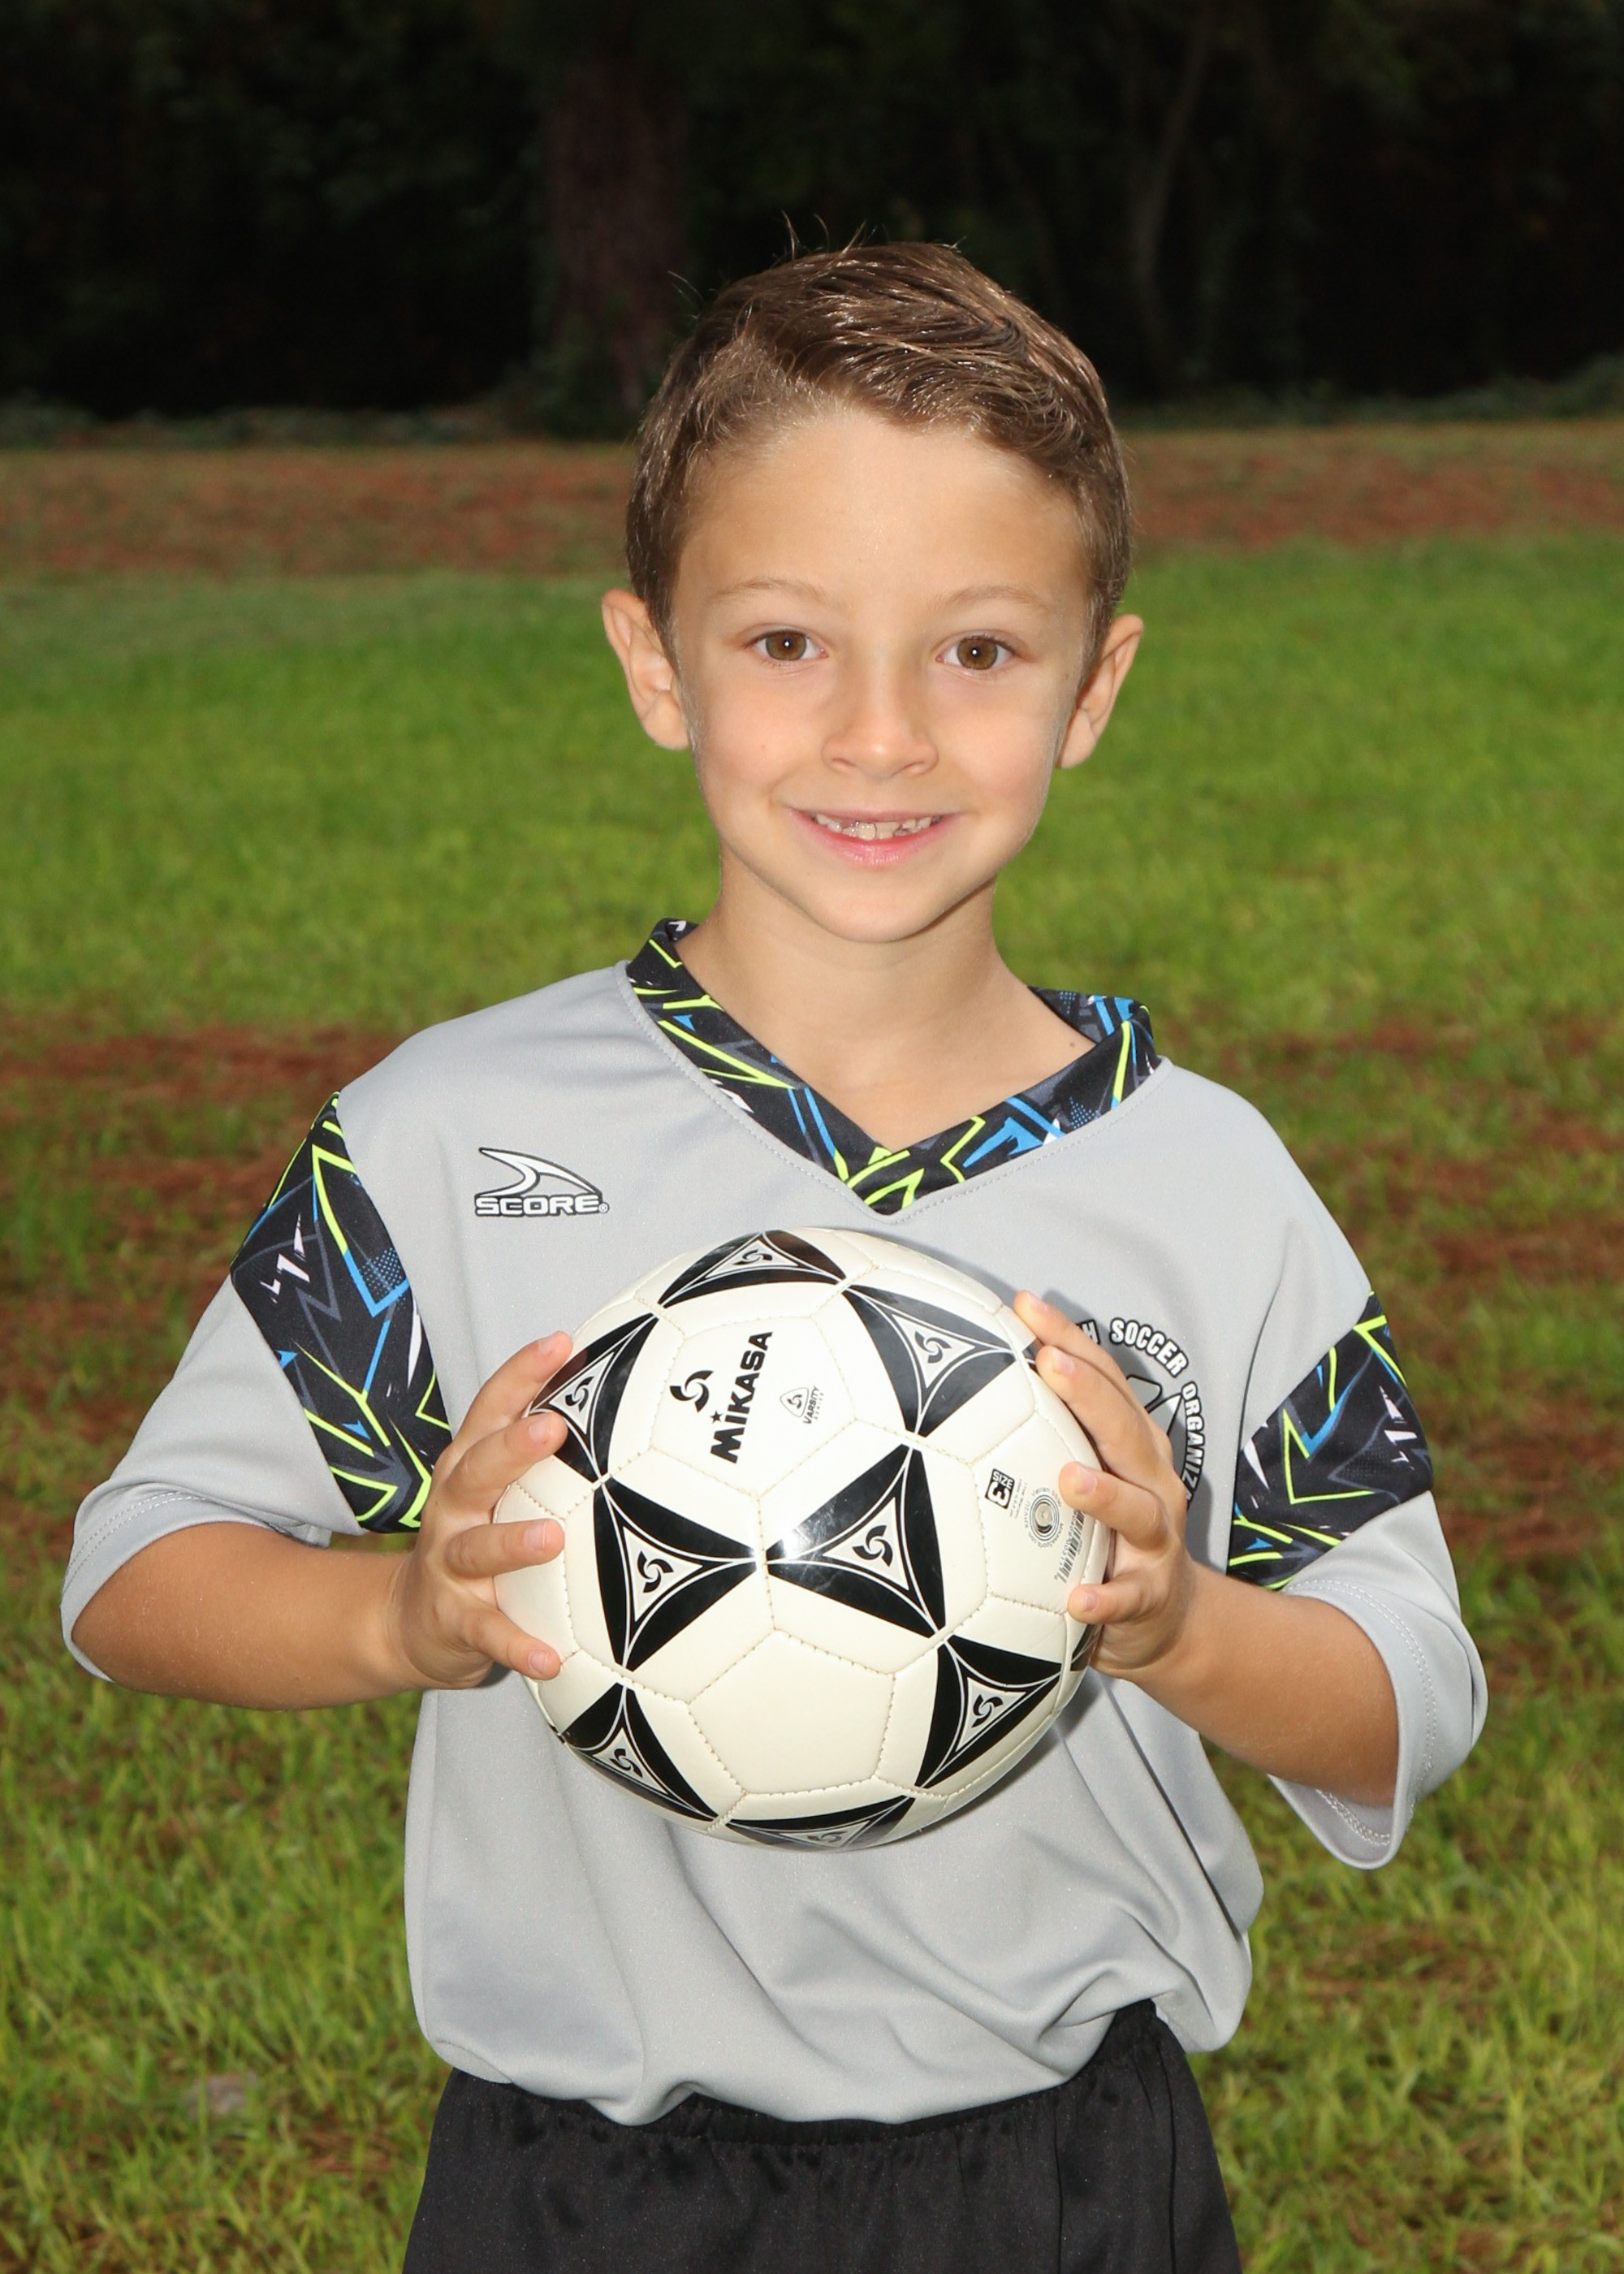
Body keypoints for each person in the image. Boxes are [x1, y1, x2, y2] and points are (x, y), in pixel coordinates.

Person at [63, 244, 1485, 2273]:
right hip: (580, 2185)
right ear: (656, 663)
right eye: (788, 639)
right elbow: (133, 1574)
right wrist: (403, 1612)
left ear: (1093, 685)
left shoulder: (1206, 1184)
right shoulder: (450, 1136)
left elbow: (1406, 1693)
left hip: (1062, 2181)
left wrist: (1180, 1622)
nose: (880, 732)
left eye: (977, 648)